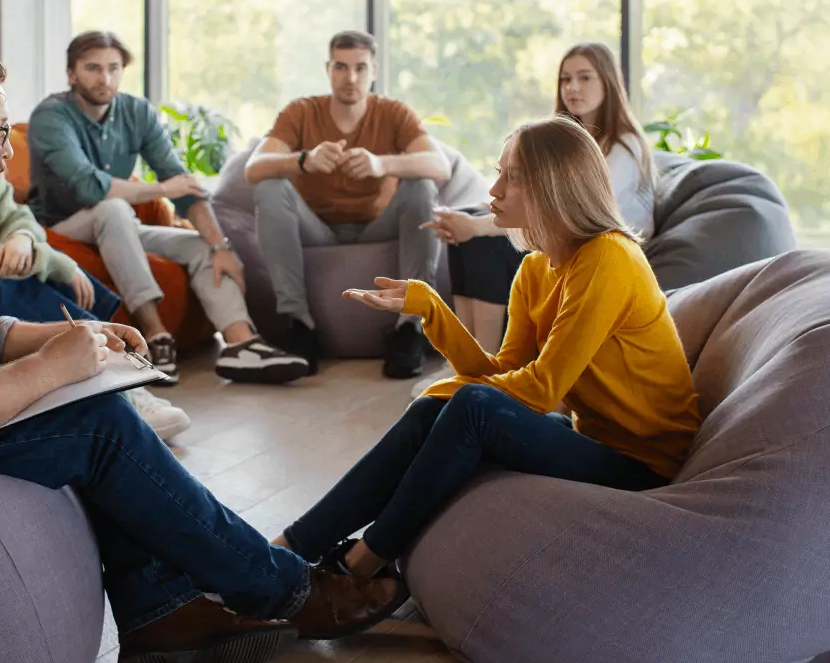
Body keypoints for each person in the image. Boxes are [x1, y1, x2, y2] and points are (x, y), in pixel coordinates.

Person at [0, 45, 407, 663]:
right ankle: (284, 591)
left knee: (95, 399)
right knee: (99, 426)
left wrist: (84, 338)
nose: (10, 154)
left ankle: (161, 613)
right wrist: (58, 368)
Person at [272, 116, 702, 582]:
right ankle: (290, 547)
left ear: (552, 186)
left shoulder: (609, 258)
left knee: (467, 403)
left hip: (645, 464)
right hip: (592, 439)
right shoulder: (536, 269)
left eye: (511, 176)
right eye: (499, 172)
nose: (493, 189)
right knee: (437, 411)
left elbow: (540, 389)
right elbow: (503, 370)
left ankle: (362, 566)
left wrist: (453, 390)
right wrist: (431, 307)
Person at [27, 30, 307, 385]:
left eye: (113, 68)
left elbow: (182, 185)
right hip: (60, 228)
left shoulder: (135, 111)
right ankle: (155, 338)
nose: (105, 78)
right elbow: (89, 186)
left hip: (119, 226)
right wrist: (161, 188)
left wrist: (220, 246)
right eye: (93, 68)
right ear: (72, 74)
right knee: (113, 209)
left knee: (199, 244)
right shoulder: (51, 117)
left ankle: (242, 346)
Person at [415, 41, 655, 395]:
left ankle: (485, 359)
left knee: (483, 241)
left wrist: (478, 228)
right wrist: (473, 217)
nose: (573, 88)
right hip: (564, 236)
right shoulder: (564, 142)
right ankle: (462, 363)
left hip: (593, 245)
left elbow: (578, 209)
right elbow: (535, 194)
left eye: (585, 78)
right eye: (566, 79)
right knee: (467, 224)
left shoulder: (624, 145)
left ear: (608, 83)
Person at [245, 30, 450, 379]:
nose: (350, 78)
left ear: (374, 71)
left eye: (360, 68)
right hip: (318, 229)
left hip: (377, 225)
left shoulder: (393, 113)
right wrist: (303, 160)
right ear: (328, 69)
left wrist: (382, 164)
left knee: (421, 185)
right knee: (269, 187)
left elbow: (441, 166)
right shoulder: (301, 111)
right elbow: (253, 168)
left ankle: (409, 327)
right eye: (341, 67)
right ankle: (299, 325)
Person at [0, 173, 191, 440]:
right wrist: (48, 259)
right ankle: (116, 389)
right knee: (18, 285)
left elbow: (16, 214)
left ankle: (117, 380)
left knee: (69, 285)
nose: (6, 150)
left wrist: (23, 237)